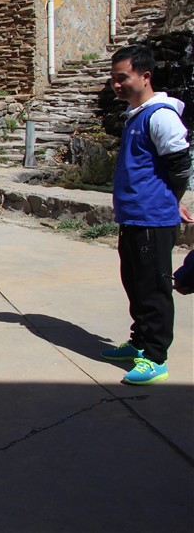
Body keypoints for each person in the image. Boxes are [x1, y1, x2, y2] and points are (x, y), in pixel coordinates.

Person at [101, 44, 192, 385]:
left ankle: (155, 357)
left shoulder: (161, 115)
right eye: (114, 80)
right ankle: (138, 342)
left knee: (153, 289)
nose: (117, 85)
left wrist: (173, 199)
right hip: (135, 218)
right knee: (135, 285)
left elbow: (181, 167)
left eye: (123, 78)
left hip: (153, 220)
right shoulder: (136, 115)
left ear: (145, 76)